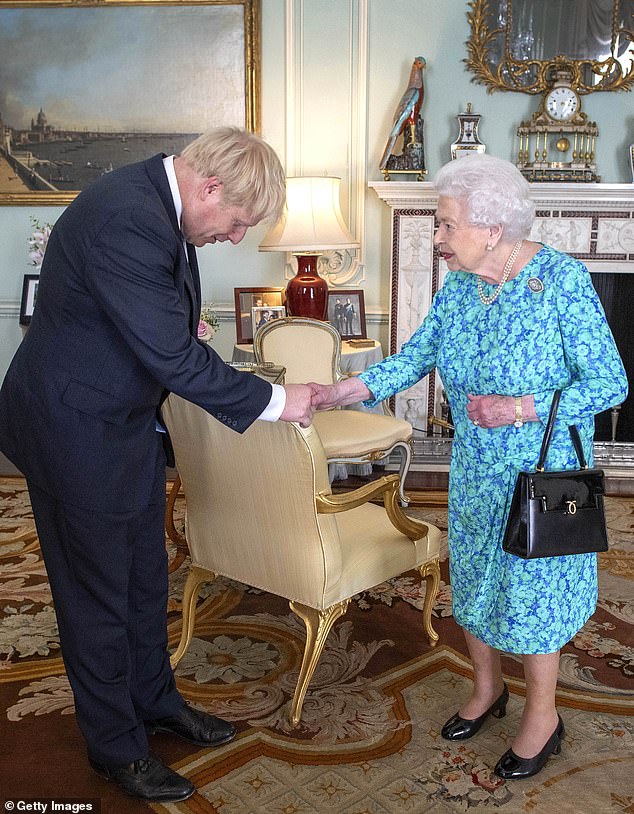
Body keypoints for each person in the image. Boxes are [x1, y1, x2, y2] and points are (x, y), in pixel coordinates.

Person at [0, 126, 315, 803]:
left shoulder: (157, 204)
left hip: (122, 422)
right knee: (97, 595)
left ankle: (155, 702)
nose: (235, 238)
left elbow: (163, 333)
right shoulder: (125, 218)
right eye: (237, 222)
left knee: (145, 576)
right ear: (208, 188)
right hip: (72, 427)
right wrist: (281, 401)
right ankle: (115, 746)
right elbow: (173, 355)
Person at [310, 153, 627, 781]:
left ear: (491, 227)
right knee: (476, 581)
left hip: (542, 472)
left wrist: (520, 407)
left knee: (535, 598)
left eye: (446, 224)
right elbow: (419, 354)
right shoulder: (461, 284)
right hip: (477, 469)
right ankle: (487, 690)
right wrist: (345, 390)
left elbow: (610, 382)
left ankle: (543, 715)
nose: (437, 237)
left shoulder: (560, 282)